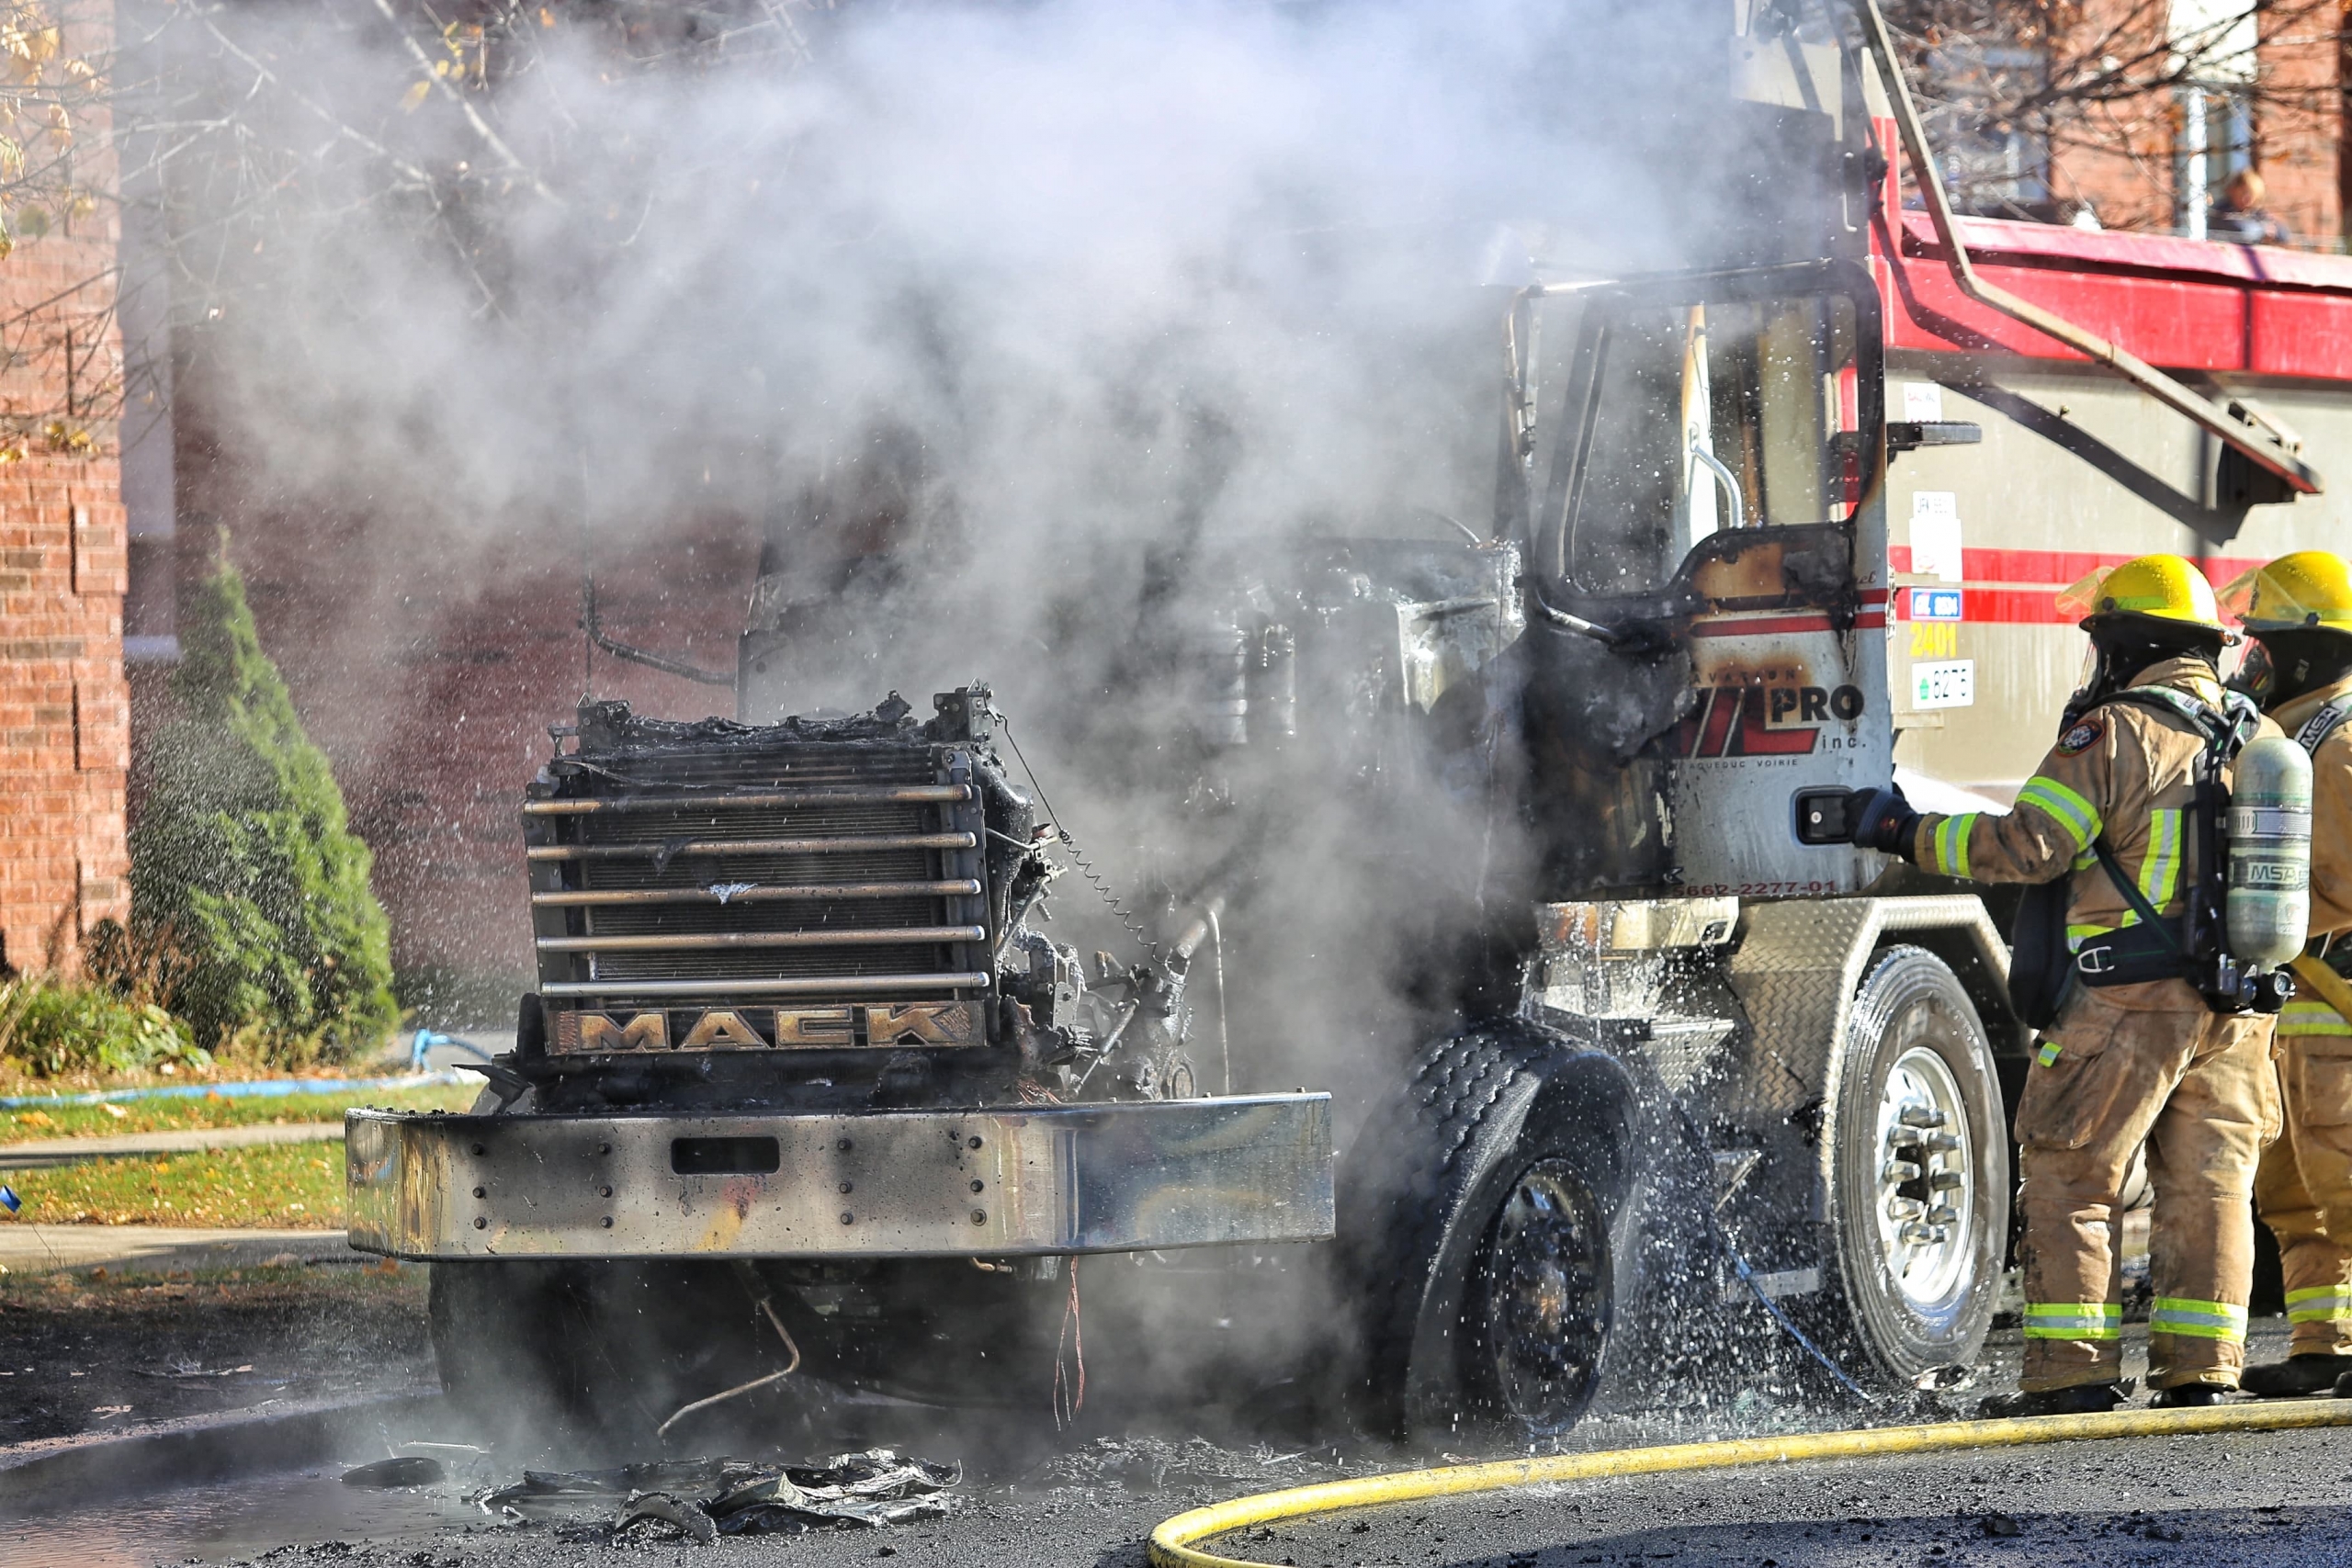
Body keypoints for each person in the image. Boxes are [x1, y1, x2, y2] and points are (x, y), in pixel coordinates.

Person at [1847, 554, 2282, 1416]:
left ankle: (2070, 1373)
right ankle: (2202, 1371)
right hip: (2235, 1008)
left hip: (2128, 1003)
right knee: (2209, 1184)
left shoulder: (2117, 733)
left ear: (2128, 643)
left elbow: (2027, 844)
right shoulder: (2256, 739)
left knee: (2073, 1173)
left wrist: (1905, 830)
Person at [2220, 550, 2352, 1396]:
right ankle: (2324, 1341)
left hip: (2337, 998)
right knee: (2298, 1188)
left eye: (2263, 646)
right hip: (2300, 1000)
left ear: (2304, 653)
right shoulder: (2291, 741)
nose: (2252, 663)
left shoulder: (2339, 745)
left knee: (2345, 1174)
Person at [2211, 168, 2290, 247]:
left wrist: (2273, 231)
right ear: (2233, 190)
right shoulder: (2221, 211)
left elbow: (2283, 234)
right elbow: (2241, 230)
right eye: (2243, 193)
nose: (2246, 199)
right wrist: (2263, 231)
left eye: (2251, 195)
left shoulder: (2255, 213)